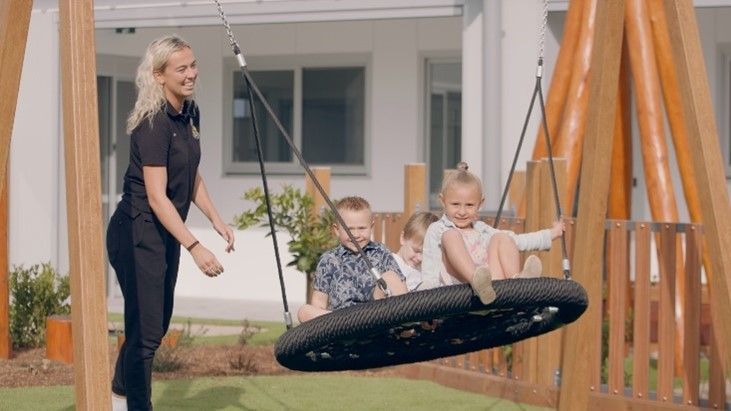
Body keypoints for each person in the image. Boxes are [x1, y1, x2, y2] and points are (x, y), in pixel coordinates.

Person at [106, 35, 235, 411]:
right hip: (137, 231)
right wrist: (195, 247)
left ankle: (116, 395)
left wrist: (216, 219)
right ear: (159, 75)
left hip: (164, 233)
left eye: (193, 65)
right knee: (145, 334)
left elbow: (191, 175)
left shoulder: (190, 113)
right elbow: (158, 197)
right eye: (182, 68)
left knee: (154, 328)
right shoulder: (153, 122)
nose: (192, 73)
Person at [421, 162, 564, 304]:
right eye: (455, 204)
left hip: (491, 291)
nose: (462, 211)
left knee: (502, 237)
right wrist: (428, 306)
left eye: (470, 205)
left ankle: (517, 284)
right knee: (450, 235)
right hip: (459, 293)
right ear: (443, 201)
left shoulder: (482, 230)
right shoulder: (438, 229)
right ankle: (476, 281)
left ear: (480, 203)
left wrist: (551, 234)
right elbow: (430, 272)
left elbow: (517, 241)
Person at [297, 196, 407, 322]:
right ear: (337, 230)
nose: (355, 235)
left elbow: (399, 284)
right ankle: (343, 325)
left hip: (374, 316)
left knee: (391, 276)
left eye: (362, 228)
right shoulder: (329, 259)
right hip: (341, 321)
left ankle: (406, 317)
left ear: (371, 227)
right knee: (304, 311)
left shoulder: (381, 252)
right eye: (349, 229)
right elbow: (319, 302)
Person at [392, 211, 439, 292]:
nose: (420, 258)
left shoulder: (423, 271)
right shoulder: (391, 263)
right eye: (416, 250)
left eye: (426, 255)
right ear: (403, 238)